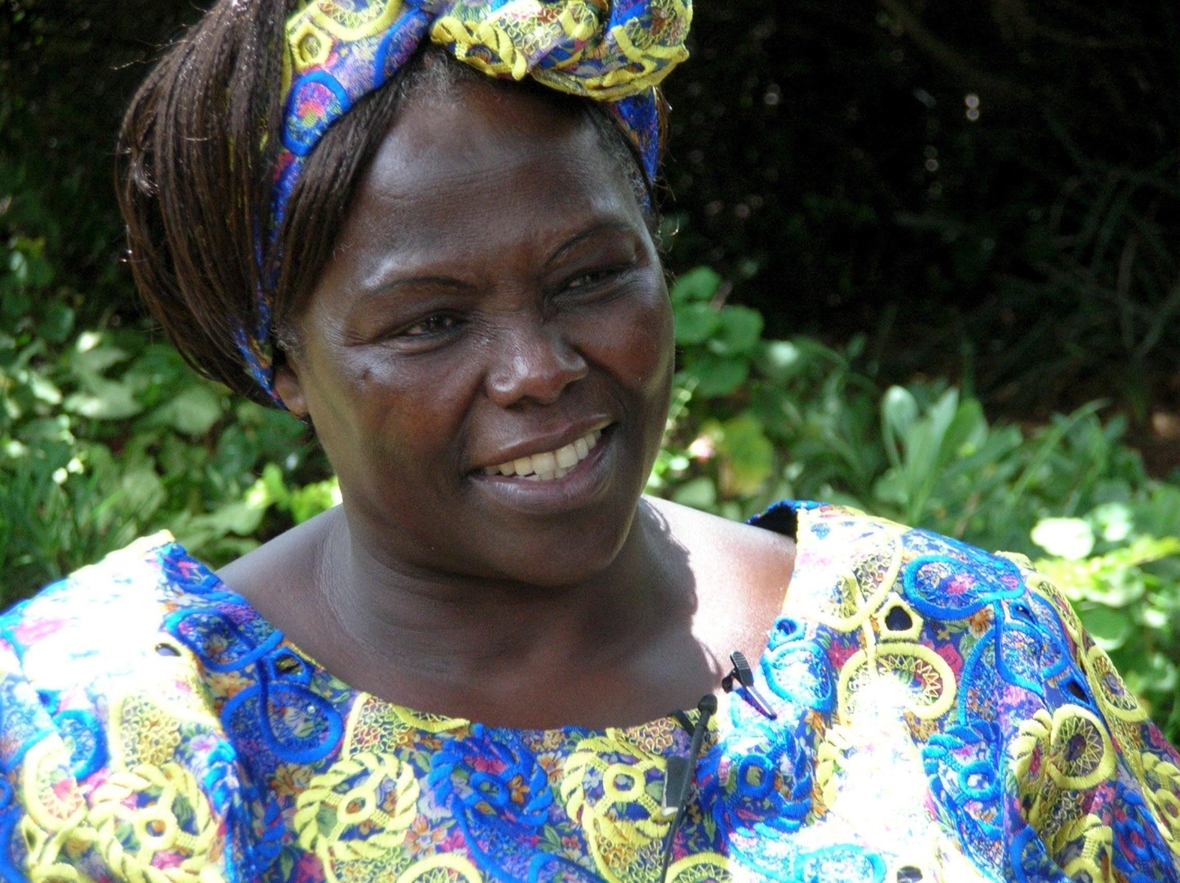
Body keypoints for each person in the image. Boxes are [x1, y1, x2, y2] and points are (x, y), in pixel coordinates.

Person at [1, 1, 1178, 881]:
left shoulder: (958, 655)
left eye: (591, 277)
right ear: (283, 361)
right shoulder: (121, 737)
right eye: (431, 322)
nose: (539, 369)